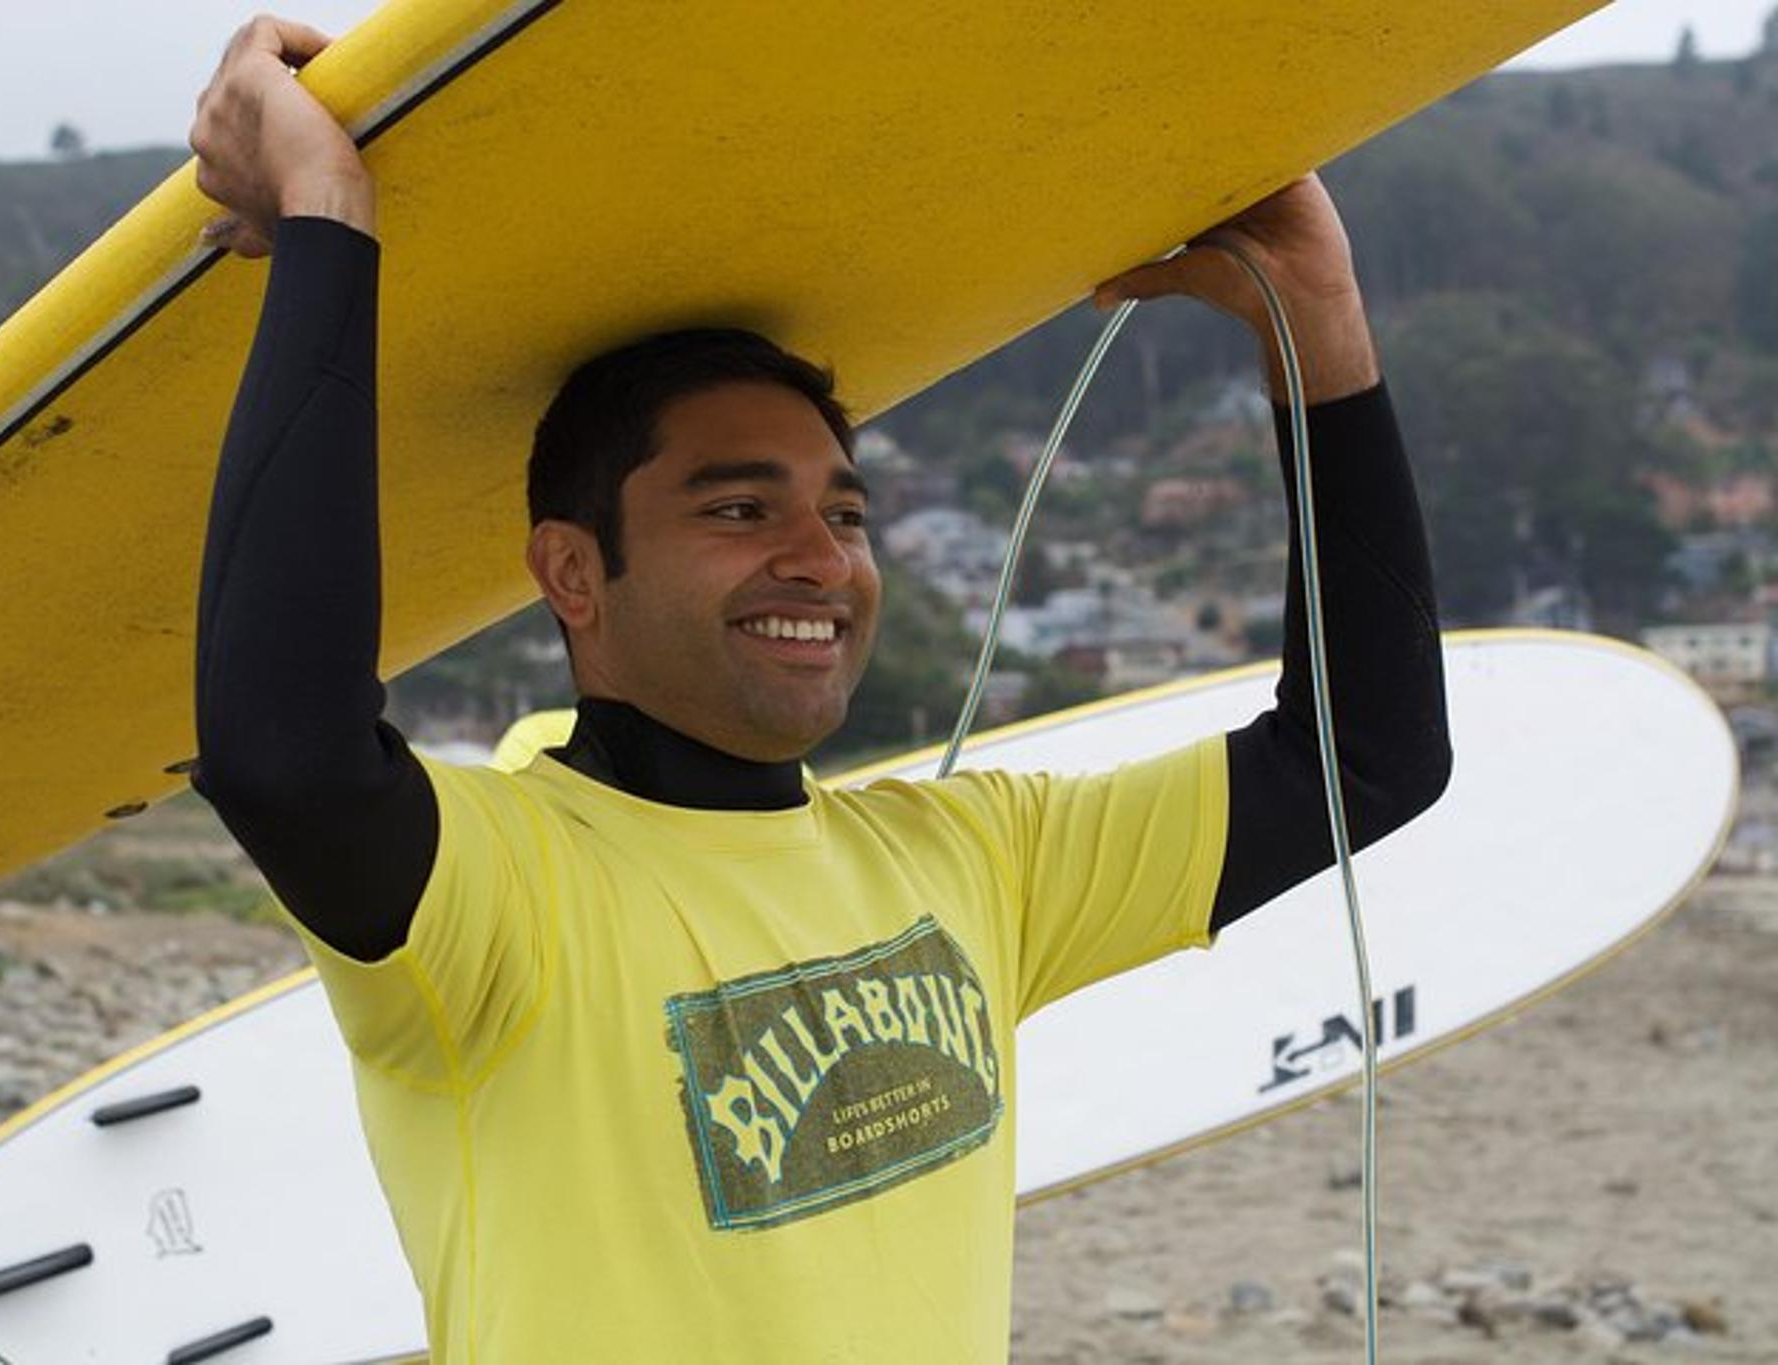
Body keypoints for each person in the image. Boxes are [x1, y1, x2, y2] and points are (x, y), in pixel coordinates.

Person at [187, 15, 1451, 1363]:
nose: (821, 558)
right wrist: (327, 217)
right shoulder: (501, 901)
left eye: (846, 514)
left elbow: (1366, 759)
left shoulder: (976, 863)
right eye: (739, 508)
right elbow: (284, 756)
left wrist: (1318, 320)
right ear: (572, 570)